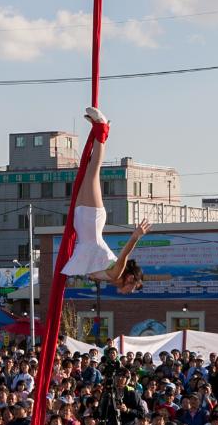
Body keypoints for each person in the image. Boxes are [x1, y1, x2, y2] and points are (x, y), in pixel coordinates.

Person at [59, 107, 150, 290]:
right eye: (130, 289)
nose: (127, 292)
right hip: (91, 224)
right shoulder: (117, 272)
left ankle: (101, 131)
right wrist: (135, 237)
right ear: (130, 279)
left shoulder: (109, 277)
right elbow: (124, 256)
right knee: (92, 171)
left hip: (83, 226)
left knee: (87, 172)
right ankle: (101, 127)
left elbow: (90, 270)